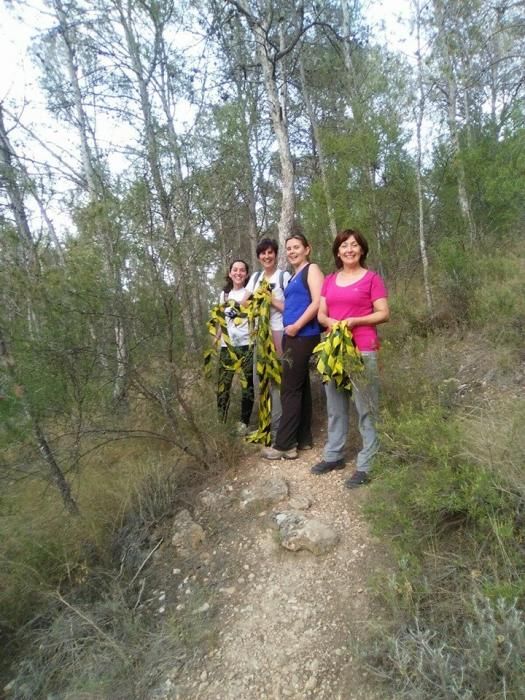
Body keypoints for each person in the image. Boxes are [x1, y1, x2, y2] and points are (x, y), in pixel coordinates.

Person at [312, 229, 389, 488]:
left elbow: (383, 313)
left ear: (362, 250)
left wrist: (355, 321)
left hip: (362, 348)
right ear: (337, 251)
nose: (349, 249)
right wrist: (331, 322)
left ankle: (368, 462)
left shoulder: (371, 279)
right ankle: (334, 455)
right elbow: (322, 314)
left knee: (365, 407)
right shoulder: (330, 280)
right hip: (333, 350)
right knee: (335, 406)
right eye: (344, 245)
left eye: (354, 245)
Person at [262, 233, 324, 460]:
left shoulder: (312, 270)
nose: (292, 251)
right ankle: (304, 438)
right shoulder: (294, 277)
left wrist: (297, 326)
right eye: (288, 248)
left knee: (289, 388)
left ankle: (284, 445)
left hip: (303, 334)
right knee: (301, 386)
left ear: (307, 249)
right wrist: (269, 299)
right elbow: (289, 305)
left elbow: (318, 302)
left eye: (296, 247)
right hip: (293, 334)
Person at [244, 238, 291, 437]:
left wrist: (270, 299)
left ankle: (280, 428)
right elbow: (245, 304)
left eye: (270, 252)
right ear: (258, 257)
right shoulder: (255, 278)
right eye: (263, 253)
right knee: (261, 380)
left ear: (276, 254)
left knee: (278, 381)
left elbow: (291, 307)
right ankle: (267, 425)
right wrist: (258, 299)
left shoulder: (284, 276)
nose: (267, 256)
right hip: (260, 336)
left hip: (278, 332)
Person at [216, 259, 254, 433]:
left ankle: (243, 424)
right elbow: (220, 320)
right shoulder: (223, 295)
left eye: (242, 270)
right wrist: (217, 338)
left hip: (246, 345)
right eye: (235, 270)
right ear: (230, 273)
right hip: (226, 347)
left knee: (247, 386)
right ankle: (221, 422)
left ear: (246, 274)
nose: (238, 273)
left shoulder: (250, 293)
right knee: (223, 385)